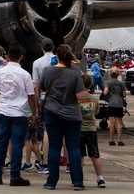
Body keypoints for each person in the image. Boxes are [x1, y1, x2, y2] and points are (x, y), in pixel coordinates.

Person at [0, 43, 37, 187]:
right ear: (21, 57)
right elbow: (31, 96)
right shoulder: (25, 74)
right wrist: (34, 113)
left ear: (7, 56)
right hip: (19, 112)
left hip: (4, 110)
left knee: (1, 142)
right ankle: (15, 175)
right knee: (17, 143)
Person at [40, 44, 87, 191]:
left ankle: (51, 181)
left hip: (52, 111)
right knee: (73, 147)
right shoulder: (75, 73)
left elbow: (42, 87)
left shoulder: (47, 70)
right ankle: (77, 181)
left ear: (57, 56)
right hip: (72, 114)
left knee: (54, 146)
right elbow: (81, 95)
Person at [31, 38, 55, 175]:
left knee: (46, 131)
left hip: (44, 98)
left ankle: (45, 162)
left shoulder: (37, 63)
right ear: (53, 47)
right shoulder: (60, 60)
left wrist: (35, 107)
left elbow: (35, 87)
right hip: (61, 98)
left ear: (42, 48)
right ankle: (68, 162)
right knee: (63, 132)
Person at [78, 73, 106, 189]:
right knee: (95, 154)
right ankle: (100, 178)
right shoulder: (94, 98)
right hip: (91, 128)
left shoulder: (78, 99)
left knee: (80, 155)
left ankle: (79, 178)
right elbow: (96, 112)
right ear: (90, 86)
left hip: (79, 129)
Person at [104, 68, 126, 145]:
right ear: (118, 74)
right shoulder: (121, 83)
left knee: (112, 122)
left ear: (110, 74)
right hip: (119, 103)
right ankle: (119, 140)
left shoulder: (108, 83)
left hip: (111, 103)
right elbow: (124, 95)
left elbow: (105, 92)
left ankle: (111, 140)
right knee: (118, 122)